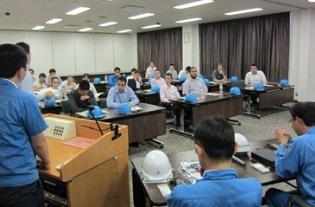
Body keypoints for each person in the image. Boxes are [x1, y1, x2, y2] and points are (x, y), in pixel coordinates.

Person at [166, 117, 262, 206]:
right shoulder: (255, 187)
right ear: (236, 148)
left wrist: (202, 181)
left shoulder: (181, 196)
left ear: (198, 150)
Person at [0, 44, 50, 207]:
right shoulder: (24, 100)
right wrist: (46, 161)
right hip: (19, 184)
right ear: (21, 72)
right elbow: (39, 142)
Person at [264, 102, 315, 207]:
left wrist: (283, 144)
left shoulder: (301, 143)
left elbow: (282, 171)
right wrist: (293, 143)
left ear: (298, 120)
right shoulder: (301, 142)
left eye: (291, 120)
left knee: (271, 194)